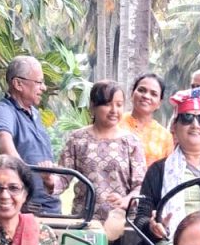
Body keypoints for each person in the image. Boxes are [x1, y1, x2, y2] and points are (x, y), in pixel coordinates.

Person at [134, 87, 200, 245]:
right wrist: (152, 227)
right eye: (187, 118)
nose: (195, 125)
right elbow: (141, 218)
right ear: (174, 126)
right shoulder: (158, 170)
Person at [57, 80, 146, 223]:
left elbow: (141, 185)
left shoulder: (131, 142)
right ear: (93, 106)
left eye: (119, 105)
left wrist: (126, 201)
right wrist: (49, 181)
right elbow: (62, 179)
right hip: (84, 223)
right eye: (107, 104)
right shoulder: (77, 139)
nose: (114, 110)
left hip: (121, 224)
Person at [0, 56, 62, 216]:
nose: (44, 88)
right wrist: (24, 186)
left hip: (51, 206)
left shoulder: (34, 113)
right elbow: (5, 146)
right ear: (18, 84)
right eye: (39, 82)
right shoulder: (3, 110)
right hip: (25, 208)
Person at [122, 72, 174, 167]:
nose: (146, 96)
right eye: (141, 90)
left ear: (159, 103)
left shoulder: (165, 137)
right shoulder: (115, 123)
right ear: (132, 94)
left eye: (154, 94)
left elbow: (167, 170)